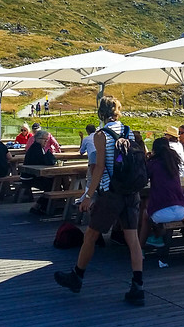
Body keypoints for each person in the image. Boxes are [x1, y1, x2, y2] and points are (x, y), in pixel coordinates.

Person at [54, 96, 146, 306]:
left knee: (91, 235)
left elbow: (100, 167)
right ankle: (138, 286)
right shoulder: (128, 131)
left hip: (111, 193)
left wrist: (87, 195)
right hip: (130, 193)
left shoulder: (101, 135)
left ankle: (77, 276)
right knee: (132, 240)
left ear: (101, 113)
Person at [140, 137, 184, 250]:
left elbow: (143, 180)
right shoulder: (173, 163)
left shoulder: (153, 163)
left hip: (163, 211)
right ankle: (158, 235)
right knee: (156, 208)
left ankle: (140, 247)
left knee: (145, 214)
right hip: (182, 210)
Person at [76, 124, 98, 204]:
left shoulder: (87, 139)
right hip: (101, 160)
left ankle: (85, 200)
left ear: (87, 131)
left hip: (92, 161)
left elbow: (81, 152)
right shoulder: (99, 137)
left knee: (90, 180)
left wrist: (82, 139)